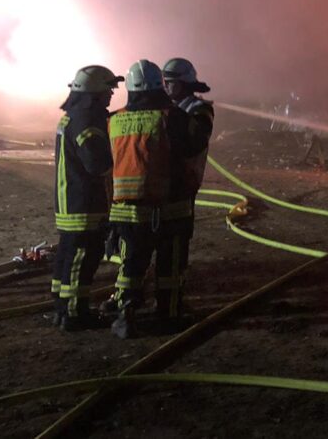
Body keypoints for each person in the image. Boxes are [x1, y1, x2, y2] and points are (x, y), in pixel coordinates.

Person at [107, 59, 202, 338]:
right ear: (160, 86)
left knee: (131, 265)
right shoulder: (173, 117)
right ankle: (169, 315)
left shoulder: (113, 119)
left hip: (126, 210)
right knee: (170, 266)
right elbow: (192, 148)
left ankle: (125, 314)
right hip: (169, 208)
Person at [51, 65, 122, 331]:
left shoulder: (72, 116)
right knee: (83, 258)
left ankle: (61, 307)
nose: (110, 96)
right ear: (94, 94)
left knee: (67, 256)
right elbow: (97, 163)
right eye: (108, 91)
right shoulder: (87, 121)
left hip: (70, 200)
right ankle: (74, 314)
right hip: (84, 203)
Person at [159, 57, 215, 321]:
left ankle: (173, 302)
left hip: (184, 184)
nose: (166, 88)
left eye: (170, 83)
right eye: (164, 83)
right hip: (160, 186)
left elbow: (192, 142)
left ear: (183, 84)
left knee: (176, 246)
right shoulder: (167, 108)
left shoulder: (199, 109)